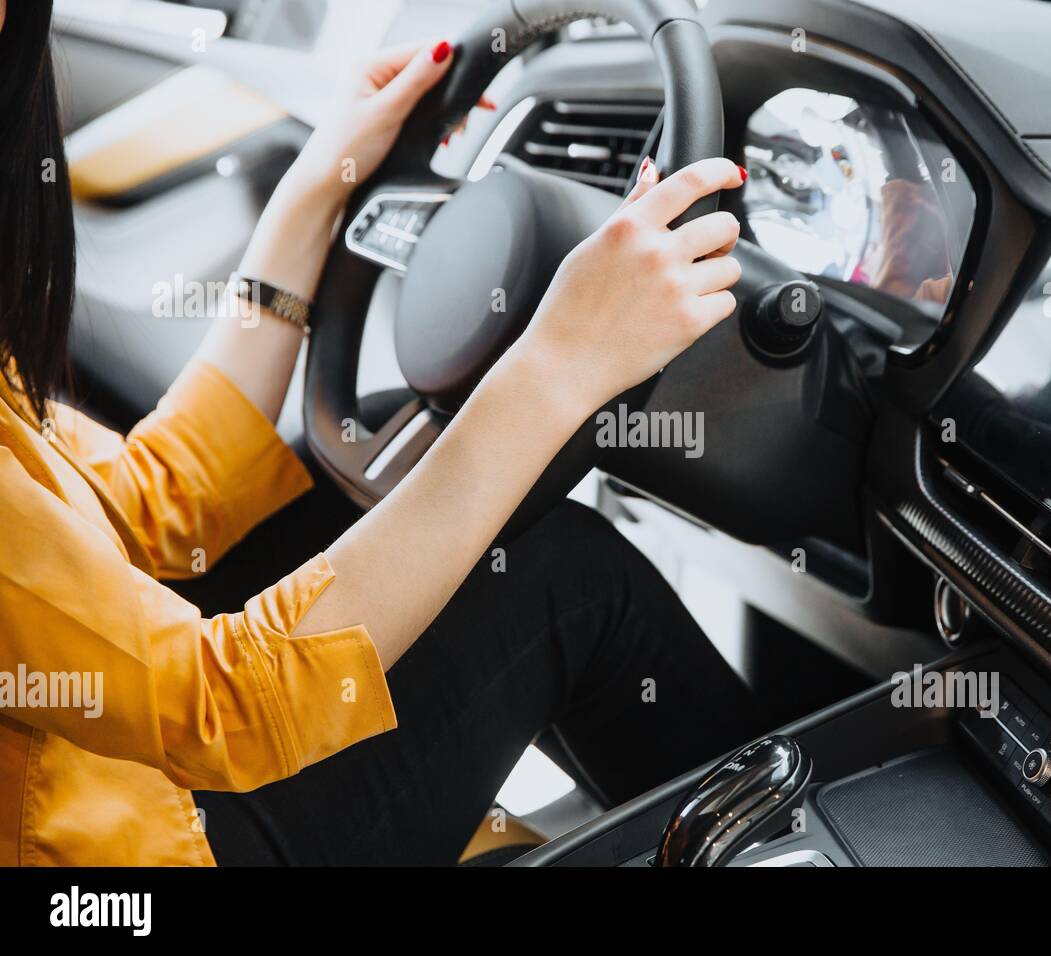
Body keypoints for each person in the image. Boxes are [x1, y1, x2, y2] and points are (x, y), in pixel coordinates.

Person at [0, 0, 766, 865]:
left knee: (363, 504)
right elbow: (220, 708)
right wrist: (557, 365)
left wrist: (318, 185)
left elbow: (155, 497)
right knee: (569, 578)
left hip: (111, 795)